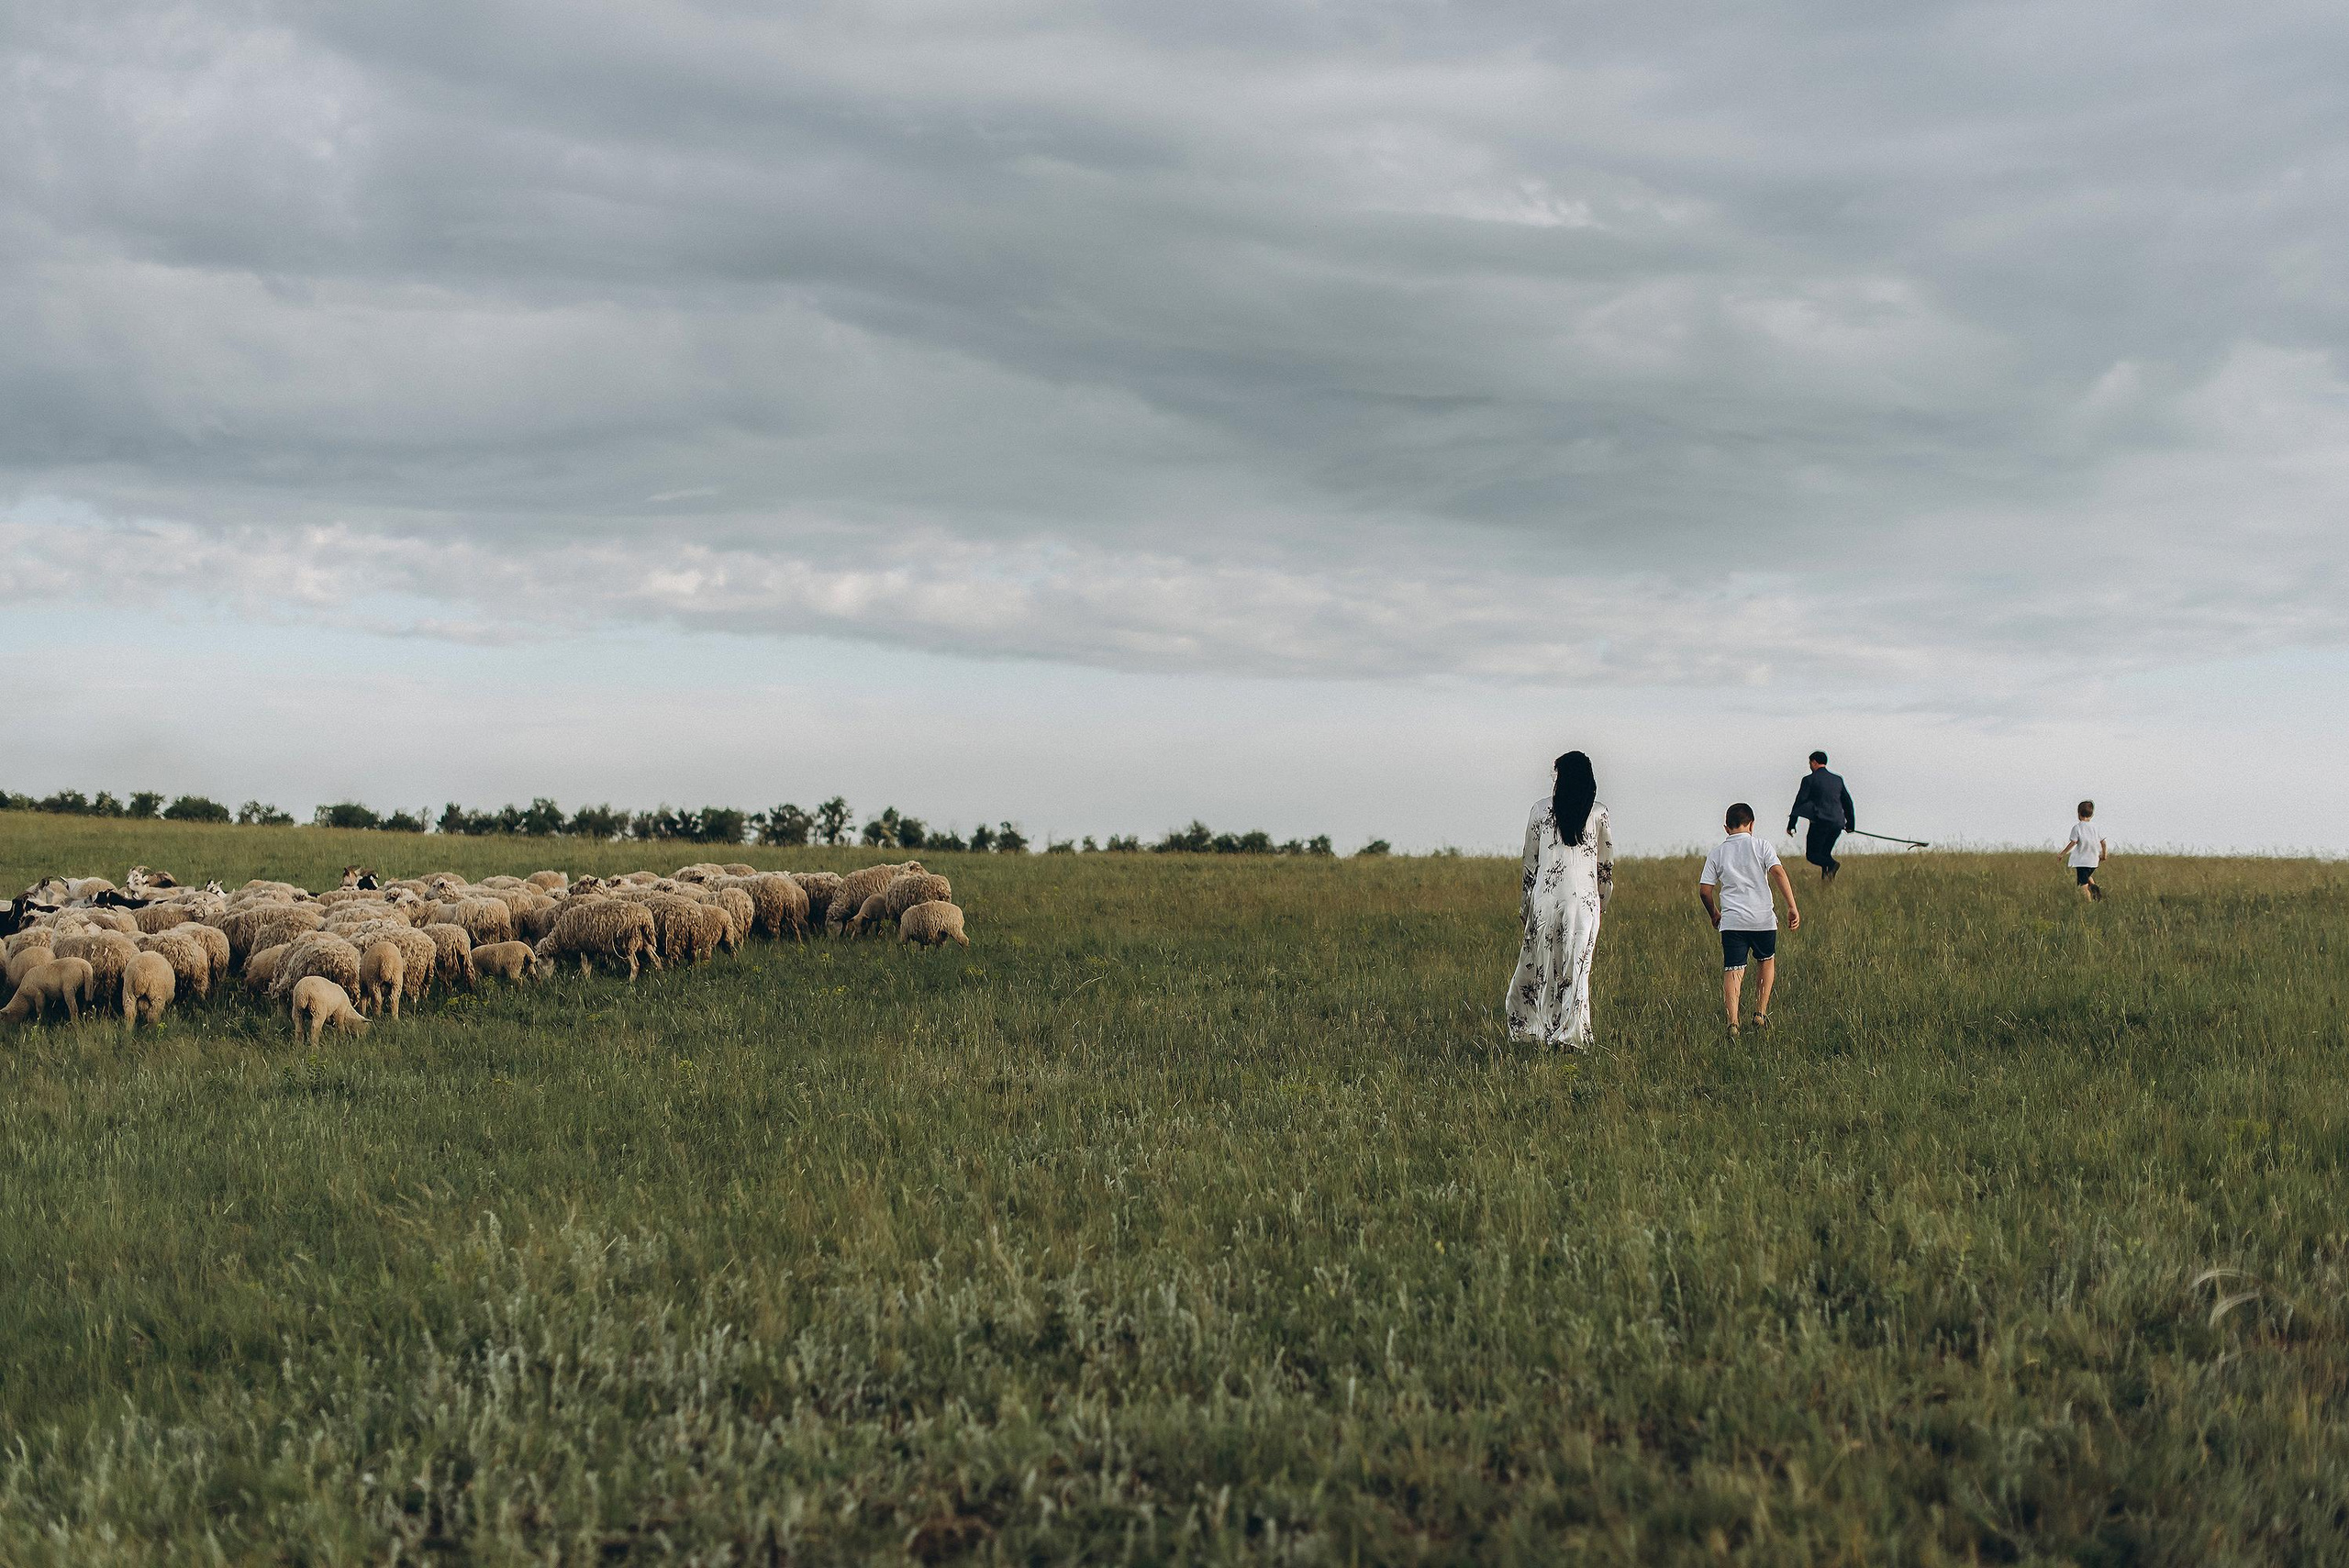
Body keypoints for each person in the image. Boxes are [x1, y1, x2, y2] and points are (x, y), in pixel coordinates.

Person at [1506, 751, 1614, 1051]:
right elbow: (1605, 866)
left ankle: (1537, 1029)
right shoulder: (1598, 813)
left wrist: (1525, 905)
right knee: (1577, 969)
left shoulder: (1540, 811)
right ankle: (1570, 1035)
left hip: (1546, 899)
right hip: (1585, 904)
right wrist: (1602, 902)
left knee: (1541, 967)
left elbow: (1530, 864)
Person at [1698, 803, 1800, 1035]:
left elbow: (1705, 890)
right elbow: (1778, 872)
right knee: (1766, 961)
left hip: (1733, 921)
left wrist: (1714, 914)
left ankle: (1733, 1022)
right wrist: (1792, 906)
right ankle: (1760, 1013)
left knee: (1733, 969)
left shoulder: (1717, 853)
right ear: (1752, 824)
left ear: (1726, 828)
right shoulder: (1762, 846)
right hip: (1762, 918)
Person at [1786, 750, 1854, 883]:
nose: (1810, 766)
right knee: (1824, 854)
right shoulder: (1837, 779)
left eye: (1810, 763)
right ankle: (1827, 884)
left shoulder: (1809, 780)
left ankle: (1833, 865)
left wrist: (1792, 824)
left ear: (1814, 762)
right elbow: (1847, 802)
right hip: (1837, 823)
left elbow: (1799, 802)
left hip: (1820, 823)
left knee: (1812, 855)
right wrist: (1850, 824)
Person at [2064, 800, 2108, 901]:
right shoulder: (2097, 828)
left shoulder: (2077, 828)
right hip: (2093, 860)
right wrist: (2104, 855)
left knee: (2083, 885)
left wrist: (2062, 853)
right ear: (2092, 814)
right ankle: (2095, 889)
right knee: (2087, 876)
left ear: (2078, 813)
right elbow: (2103, 843)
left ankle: (2089, 903)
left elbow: (2073, 842)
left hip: (2082, 861)